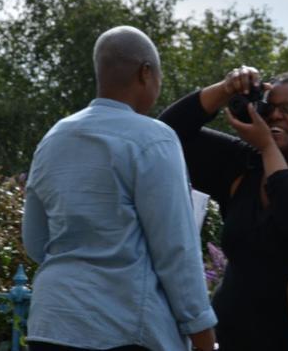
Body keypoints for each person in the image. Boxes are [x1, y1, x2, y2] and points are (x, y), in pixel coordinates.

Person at [22, 26, 217, 351]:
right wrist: (202, 333)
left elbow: (35, 241)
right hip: (124, 328)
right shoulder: (155, 138)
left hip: (52, 323)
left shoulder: (54, 138)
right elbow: (176, 249)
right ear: (146, 73)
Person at [158, 67, 288, 351]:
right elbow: (168, 135)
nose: (277, 115)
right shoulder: (244, 164)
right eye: (270, 107)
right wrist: (226, 88)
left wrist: (268, 147)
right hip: (230, 337)